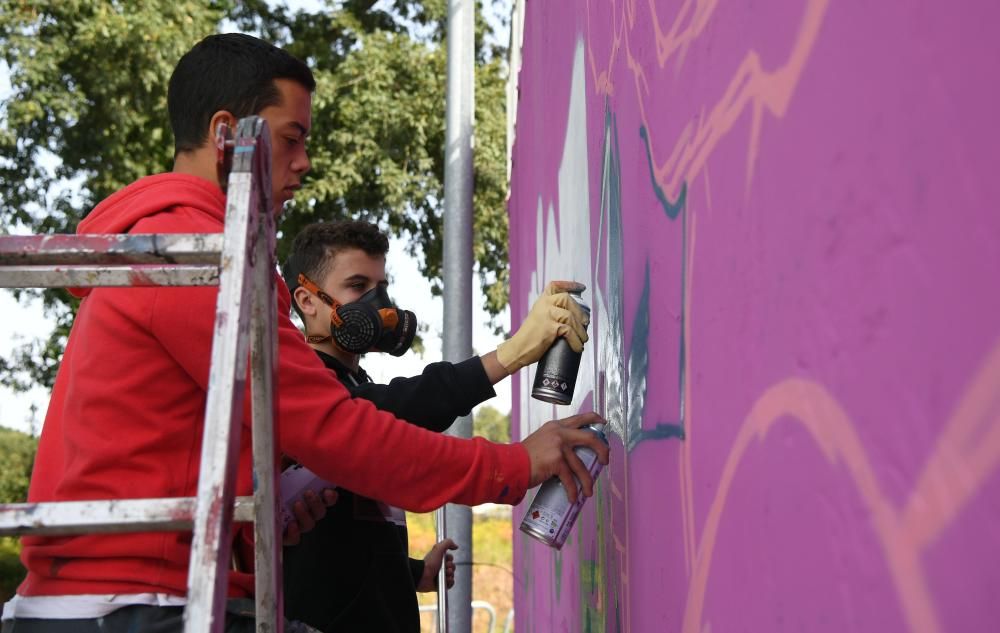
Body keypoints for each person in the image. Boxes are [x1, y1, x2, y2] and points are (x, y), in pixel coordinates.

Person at [0, 33, 607, 632]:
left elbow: (177, 453)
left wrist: (257, 522)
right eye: (292, 138)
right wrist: (516, 462)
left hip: (132, 597)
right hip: (128, 607)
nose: (305, 163)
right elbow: (337, 427)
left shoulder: (180, 250)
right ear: (224, 136)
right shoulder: (196, 257)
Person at [278, 221, 589, 632]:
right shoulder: (300, 392)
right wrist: (510, 354)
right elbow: (390, 408)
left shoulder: (359, 383)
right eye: (357, 285)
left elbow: (348, 538)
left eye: (381, 285)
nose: (378, 301)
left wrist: (412, 573)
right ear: (307, 301)